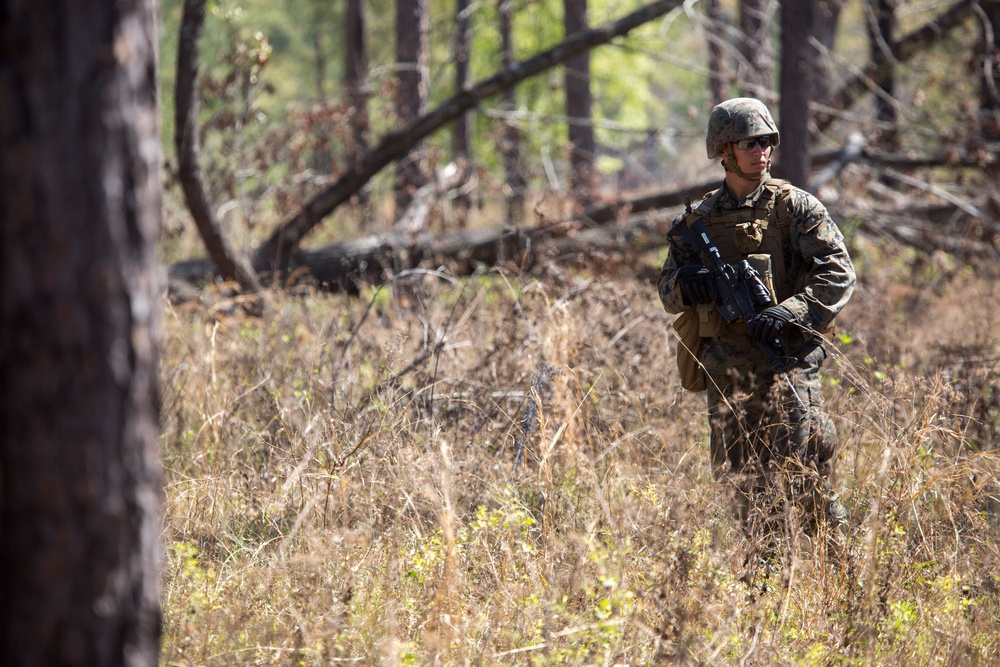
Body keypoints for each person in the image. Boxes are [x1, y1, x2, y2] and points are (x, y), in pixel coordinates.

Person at [657, 98, 856, 543]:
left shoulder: (795, 208)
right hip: (727, 373)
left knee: (806, 480)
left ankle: (844, 581)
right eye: (751, 142)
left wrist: (791, 311)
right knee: (743, 487)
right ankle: (762, 595)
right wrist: (690, 285)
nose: (762, 151)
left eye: (768, 142)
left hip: (787, 363)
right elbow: (667, 290)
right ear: (724, 151)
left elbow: (839, 273)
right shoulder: (699, 221)